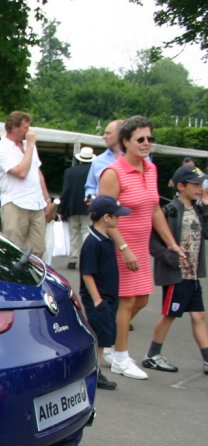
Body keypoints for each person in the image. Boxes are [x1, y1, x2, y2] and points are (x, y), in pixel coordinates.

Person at [98, 115, 183, 380]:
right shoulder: (113, 173)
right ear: (126, 141)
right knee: (127, 301)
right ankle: (120, 357)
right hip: (118, 244)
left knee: (142, 300)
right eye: (141, 139)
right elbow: (104, 216)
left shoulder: (151, 169)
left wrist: (171, 243)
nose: (147, 143)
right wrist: (123, 247)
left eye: (150, 138)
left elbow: (155, 208)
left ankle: (109, 342)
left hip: (140, 245)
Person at [143, 165, 208, 374]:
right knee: (170, 314)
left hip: (192, 274)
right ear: (181, 186)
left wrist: (206, 209)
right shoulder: (169, 210)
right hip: (177, 274)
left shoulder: (198, 209)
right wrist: (169, 258)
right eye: (195, 184)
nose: (200, 188)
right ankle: (152, 355)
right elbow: (153, 242)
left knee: (198, 315)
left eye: (201, 184)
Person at [80, 195, 131, 390]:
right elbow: (87, 274)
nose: (119, 219)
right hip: (98, 298)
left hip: (108, 296)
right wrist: (97, 300)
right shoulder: (93, 242)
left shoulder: (106, 238)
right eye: (116, 215)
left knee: (104, 336)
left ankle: (97, 369)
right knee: (99, 335)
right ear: (106, 217)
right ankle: (93, 371)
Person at [0, 110, 56, 254]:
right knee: (14, 249)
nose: (29, 132)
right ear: (14, 128)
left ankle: (33, 276)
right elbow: (21, 172)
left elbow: (37, 173)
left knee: (39, 249)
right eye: (26, 128)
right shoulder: (0, 149)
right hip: (15, 203)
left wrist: (47, 201)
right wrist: (31, 146)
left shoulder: (27, 145)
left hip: (36, 203)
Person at [59, 146, 95, 269]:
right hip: (88, 205)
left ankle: (73, 258)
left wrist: (61, 209)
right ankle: (86, 258)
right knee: (86, 231)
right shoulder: (94, 172)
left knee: (73, 232)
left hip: (72, 206)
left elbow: (66, 191)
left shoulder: (70, 172)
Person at [84, 119, 122, 200]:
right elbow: (90, 187)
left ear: (120, 134)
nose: (104, 136)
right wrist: (91, 197)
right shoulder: (98, 161)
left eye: (108, 133)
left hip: (131, 211)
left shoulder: (138, 159)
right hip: (102, 210)